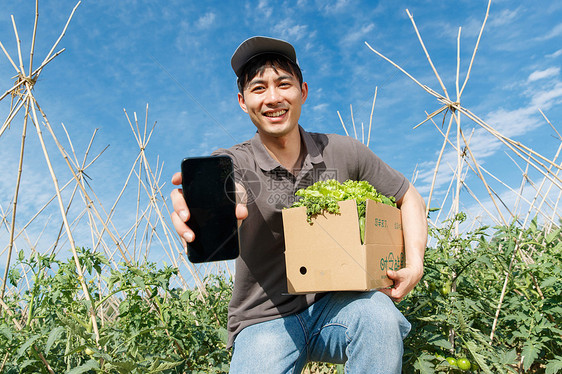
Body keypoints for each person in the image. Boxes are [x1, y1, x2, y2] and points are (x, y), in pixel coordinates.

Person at [170, 36, 428, 373]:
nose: (273, 98)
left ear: (302, 92)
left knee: (378, 316)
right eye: (259, 88)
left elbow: (409, 196)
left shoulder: (341, 151)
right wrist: (208, 208)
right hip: (263, 319)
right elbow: (225, 190)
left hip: (336, 306)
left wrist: (415, 263)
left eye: (283, 84)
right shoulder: (233, 162)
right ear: (242, 101)